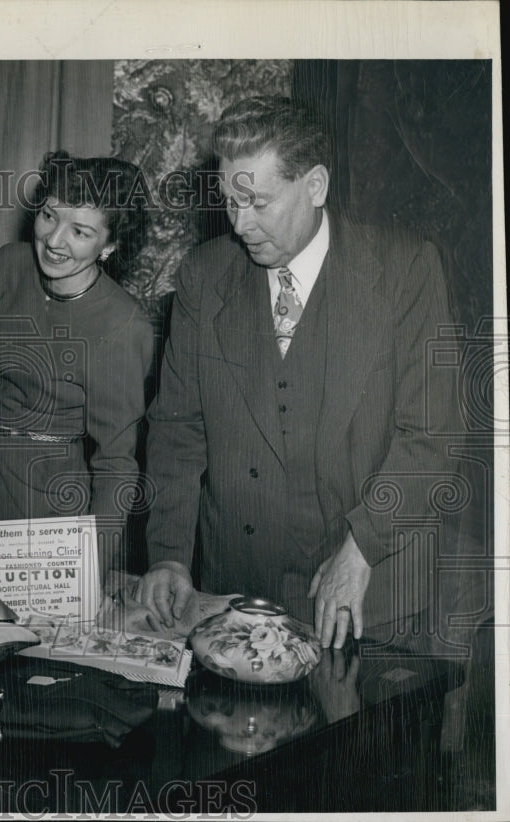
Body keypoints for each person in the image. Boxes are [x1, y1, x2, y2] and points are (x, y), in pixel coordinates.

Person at [136, 97, 461, 651]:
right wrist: (168, 552)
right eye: (229, 202)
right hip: (238, 599)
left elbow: (432, 437)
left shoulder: (406, 270)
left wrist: (361, 546)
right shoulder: (203, 277)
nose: (240, 224)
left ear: (314, 186)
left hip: (372, 599)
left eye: (257, 202)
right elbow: (177, 429)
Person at [0, 151, 154, 568]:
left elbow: (116, 463)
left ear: (110, 245)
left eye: (80, 231)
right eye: (49, 215)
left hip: (49, 506)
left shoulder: (123, 327)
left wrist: (93, 564)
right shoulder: (8, 265)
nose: (54, 240)